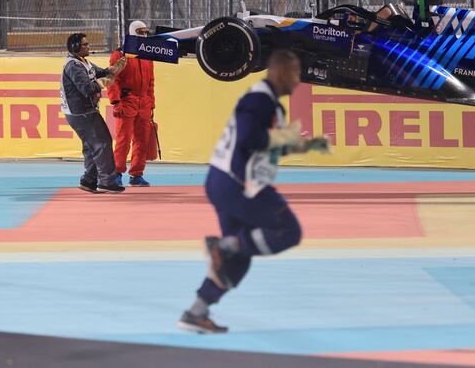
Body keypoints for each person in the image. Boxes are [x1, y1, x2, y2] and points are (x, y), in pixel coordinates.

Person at [178, 49, 329, 334]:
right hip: (237, 183)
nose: (299, 81)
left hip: (225, 182)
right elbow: (251, 138)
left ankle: (196, 312)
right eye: (296, 73)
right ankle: (224, 246)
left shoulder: (269, 103)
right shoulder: (260, 99)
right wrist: (284, 138)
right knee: (288, 231)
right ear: (281, 72)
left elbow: (268, 144)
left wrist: (307, 145)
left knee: (240, 259)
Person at [61, 32, 127, 193]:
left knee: (92, 146)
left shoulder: (83, 62)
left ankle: (89, 180)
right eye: (84, 44)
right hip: (82, 112)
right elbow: (87, 88)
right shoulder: (73, 66)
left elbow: (98, 73)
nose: (88, 46)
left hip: (83, 111)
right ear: (75, 47)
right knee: (102, 143)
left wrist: (110, 71)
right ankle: (106, 181)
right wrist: (104, 81)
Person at [108, 20, 155, 187]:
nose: (145, 35)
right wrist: (116, 101)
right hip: (127, 101)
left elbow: (151, 82)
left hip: (143, 104)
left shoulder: (147, 54)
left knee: (142, 141)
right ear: (134, 32)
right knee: (123, 139)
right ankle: (117, 173)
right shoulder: (119, 54)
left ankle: (136, 174)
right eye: (142, 32)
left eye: (146, 32)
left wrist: (151, 103)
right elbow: (112, 79)